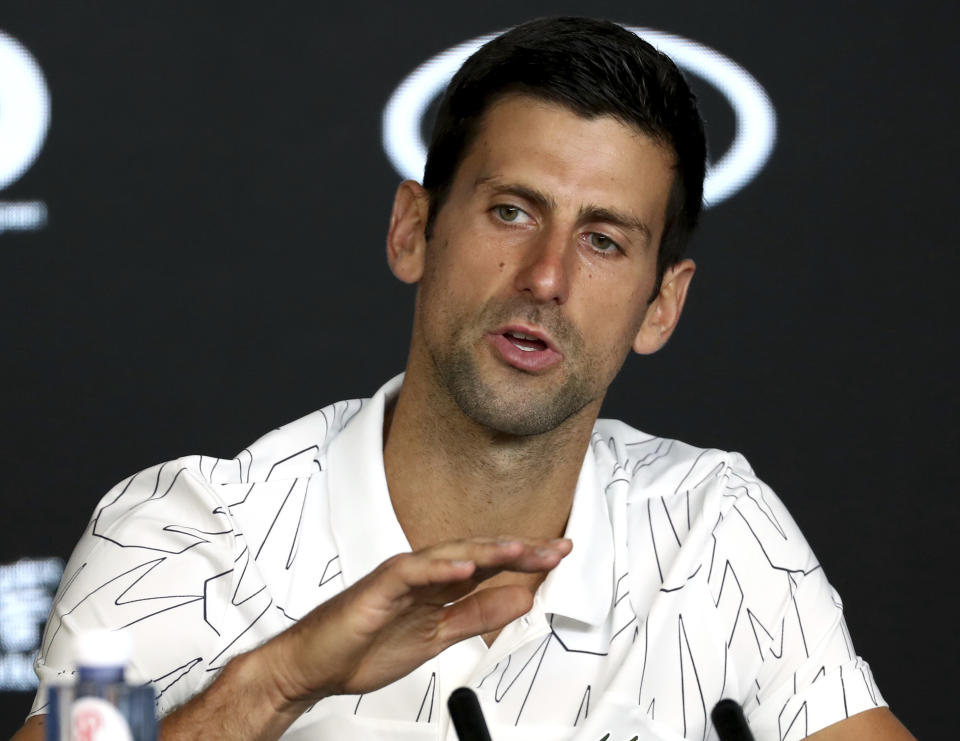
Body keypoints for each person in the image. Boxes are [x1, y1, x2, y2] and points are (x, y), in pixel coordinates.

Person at [14, 17, 913, 741]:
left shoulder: (715, 526)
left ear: (661, 306)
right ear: (413, 228)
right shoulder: (178, 536)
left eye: (603, 239)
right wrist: (283, 679)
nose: (547, 276)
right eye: (512, 210)